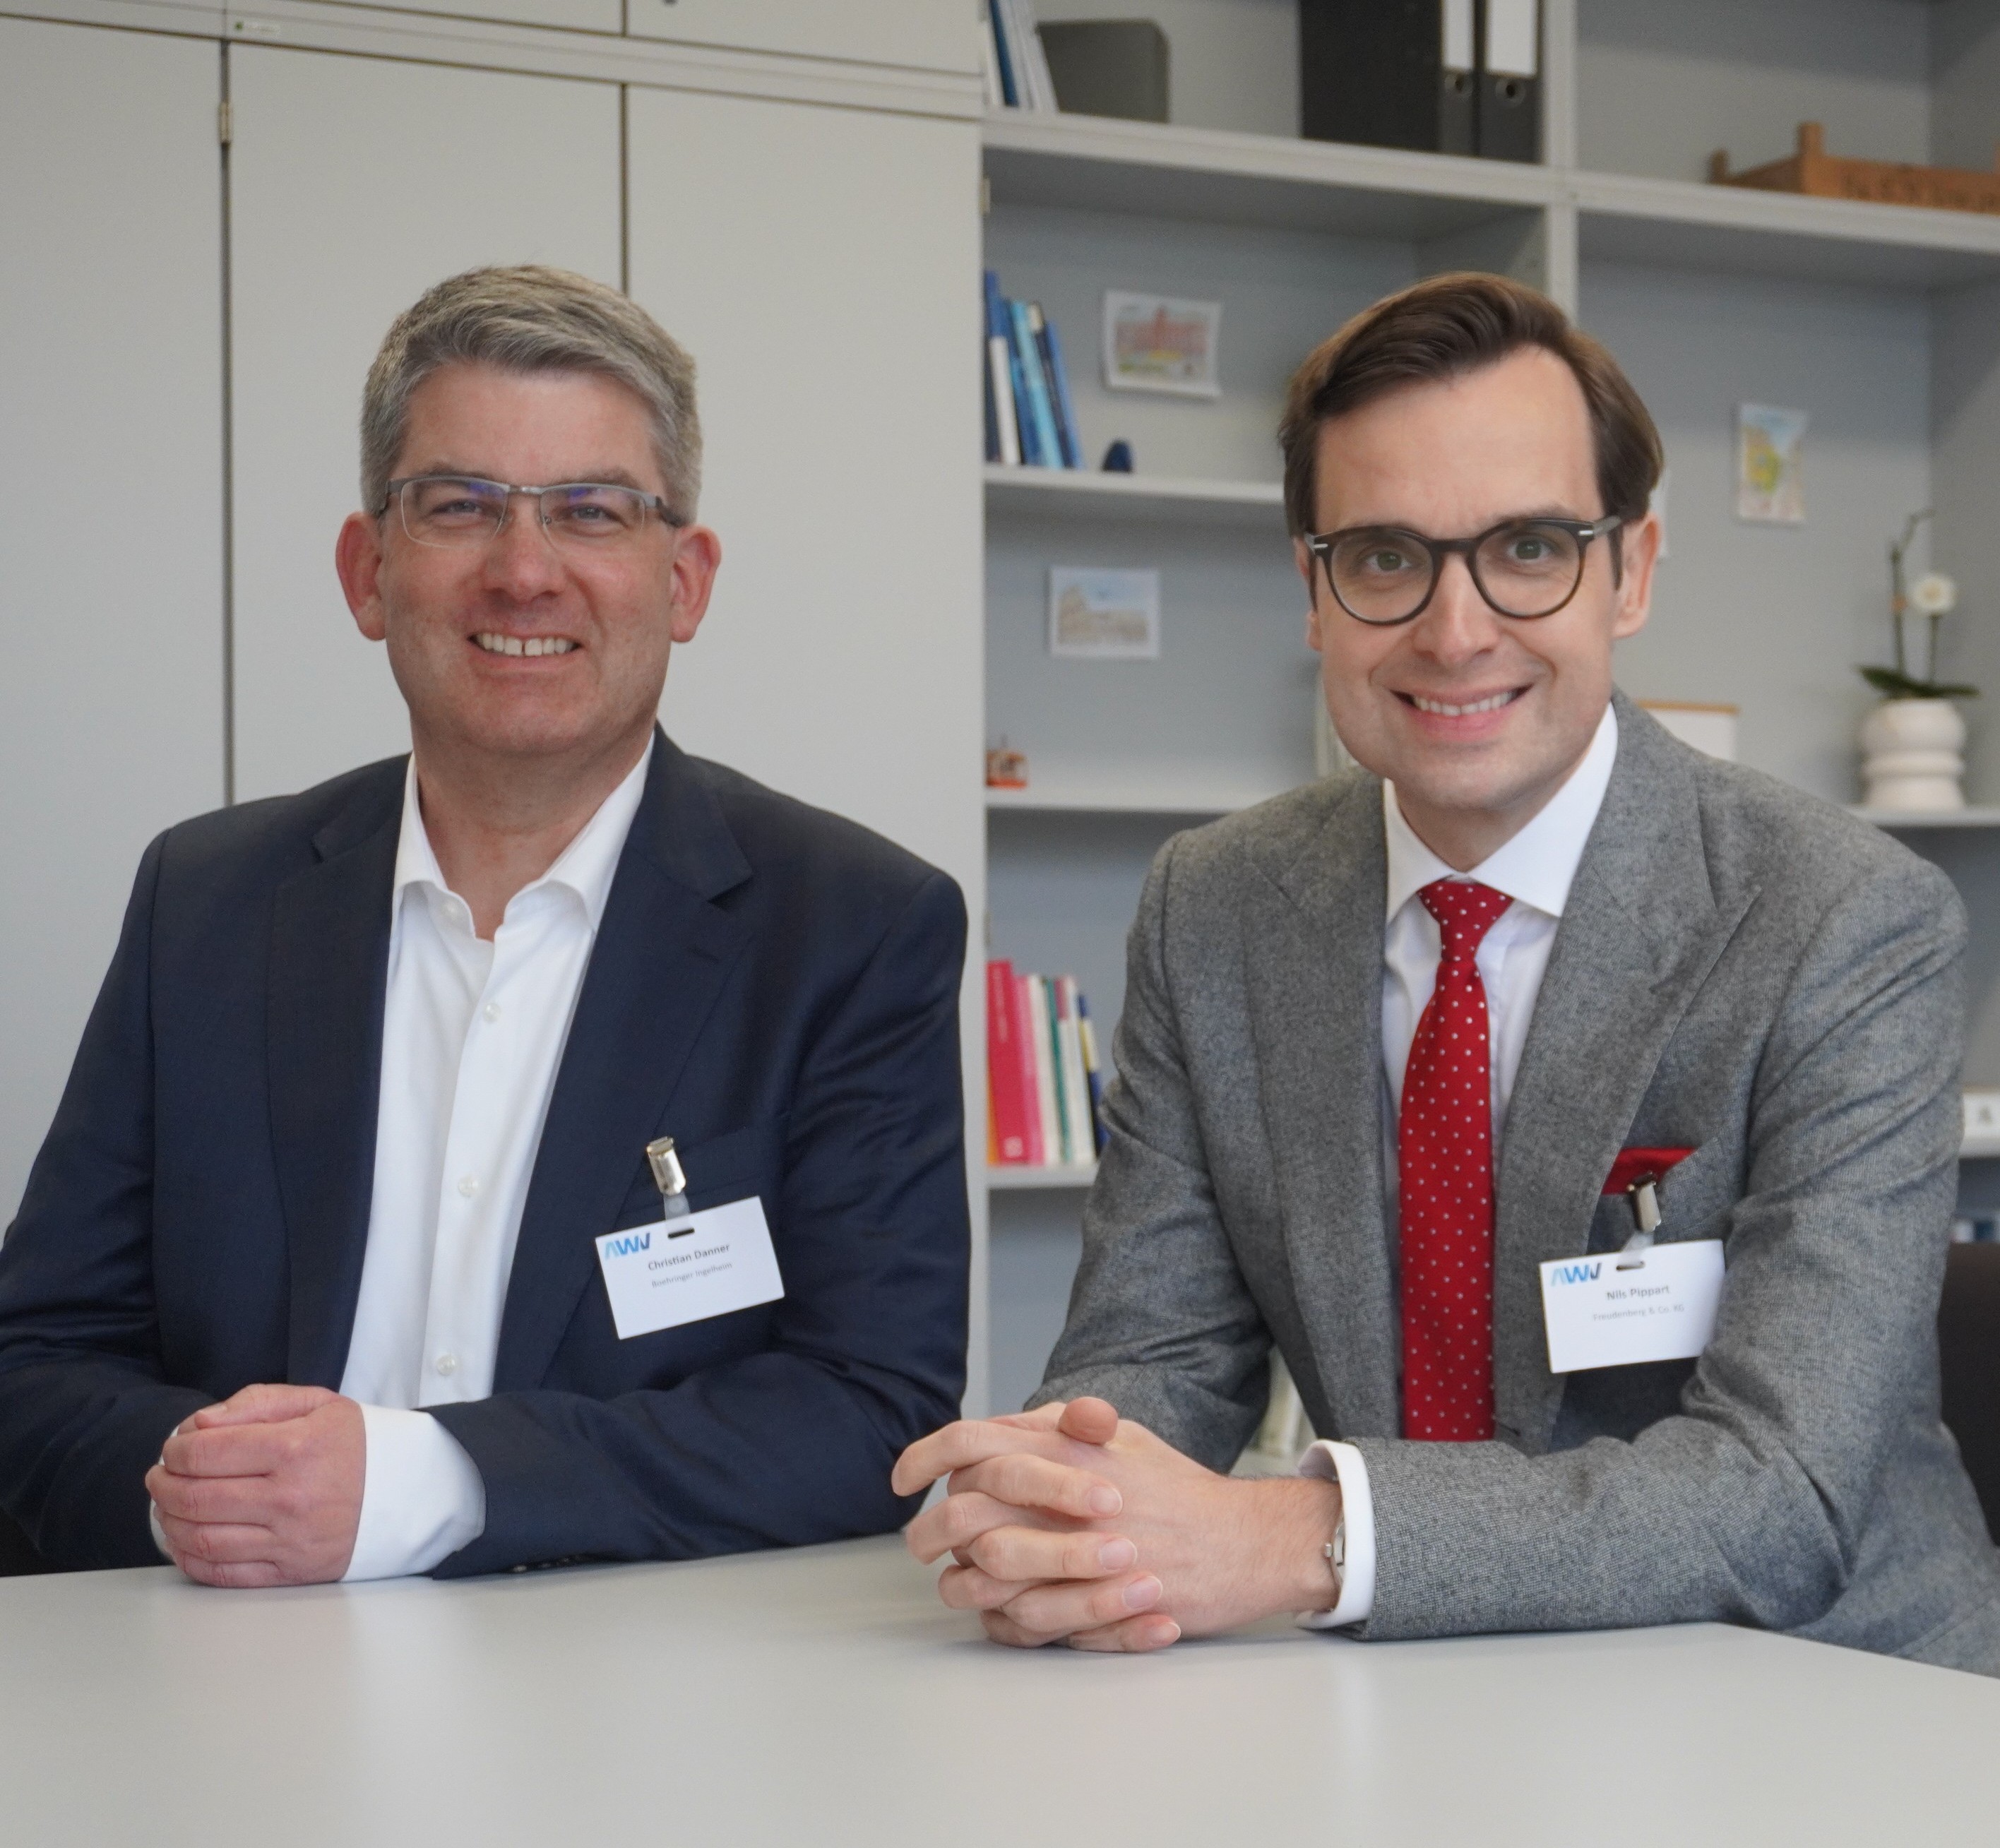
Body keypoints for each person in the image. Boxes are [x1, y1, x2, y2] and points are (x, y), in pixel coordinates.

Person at [895, 272, 2000, 1673]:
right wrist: (1070, 1502)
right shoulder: (1214, 907)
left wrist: (1299, 1536)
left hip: (1821, 1689)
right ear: (1314, 591)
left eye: (1529, 548)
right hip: (1415, 1690)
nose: (1455, 629)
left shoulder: (1845, 918)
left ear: (1633, 570)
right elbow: (1156, 1357)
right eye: (1383, 557)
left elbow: (1782, 1496)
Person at [0, 265, 969, 1585]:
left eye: (592, 511)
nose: (523, 572)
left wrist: (425, 1481)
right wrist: (212, 1496)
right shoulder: (205, 903)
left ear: (684, 582)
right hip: (231, 1650)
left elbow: (870, 1410)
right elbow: (38, 1356)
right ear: (367, 570)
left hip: (646, 1674)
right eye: (459, 505)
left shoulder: (849, 927)